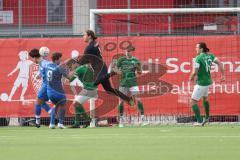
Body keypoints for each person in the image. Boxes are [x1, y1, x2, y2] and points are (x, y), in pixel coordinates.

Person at [76, 30, 134, 106]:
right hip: (101, 67)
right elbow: (88, 59)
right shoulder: (94, 44)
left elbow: (83, 61)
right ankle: (129, 99)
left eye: (84, 35)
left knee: (94, 82)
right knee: (108, 89)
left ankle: (113, 72)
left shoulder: (89, 47)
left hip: (99, 68)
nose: (83, 37)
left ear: (89, 36)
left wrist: (76, 63)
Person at [189, 42, 225, 126]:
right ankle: (207, 118)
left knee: (193, 102)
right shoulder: (210, 55)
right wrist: (223, 75)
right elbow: (220, 63)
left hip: (201, 83)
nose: (195, 49)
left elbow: (195, 72)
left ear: (201, 49)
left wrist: (191, 77)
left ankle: (199, 121)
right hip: (208, 82)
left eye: (197, 47)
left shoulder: (198, 58)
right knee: (205, 98)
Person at [116, 45, 148, 127]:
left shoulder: (136, 60)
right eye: (126, 51)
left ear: (131, 52)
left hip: (133, 83)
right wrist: (120, 72)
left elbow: (140, 72)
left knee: (139, 99)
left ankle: (143, 119)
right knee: (121, 101)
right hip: (123, 84)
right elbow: (115, 69)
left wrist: (138, 68)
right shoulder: (121, 60)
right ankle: (121, 121)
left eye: (129, 51)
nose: (127, 52)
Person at [45, 52, 72, 129]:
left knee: (55, 105)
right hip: (58, 91)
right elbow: (69, 77)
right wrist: (70, 70)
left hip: (49, 91)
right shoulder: (59, 68)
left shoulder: (48, 66)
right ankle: (60, 123)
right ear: (56, 59)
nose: (61, 60)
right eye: (60, 58)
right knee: (63, 105)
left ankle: (52, 124)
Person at [29, 47, 52, 128]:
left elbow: (50, 70)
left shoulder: (44, 63)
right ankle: (51, 113)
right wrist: (40, 75)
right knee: (40, 102)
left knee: (38, 101)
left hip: (47, 85)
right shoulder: (43, 63)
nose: (32, 60)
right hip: (47, 85)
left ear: (35, 57)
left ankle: (37, 121)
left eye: (32, 58)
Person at [69, 62, 97, 128]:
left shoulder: (80, 68)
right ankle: (77, 123)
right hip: (93, 89)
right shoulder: (93, 67)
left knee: (76, 103)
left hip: (88, 89)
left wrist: (66, 77)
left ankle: (86, 119)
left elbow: (71, 79)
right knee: (76, 103)